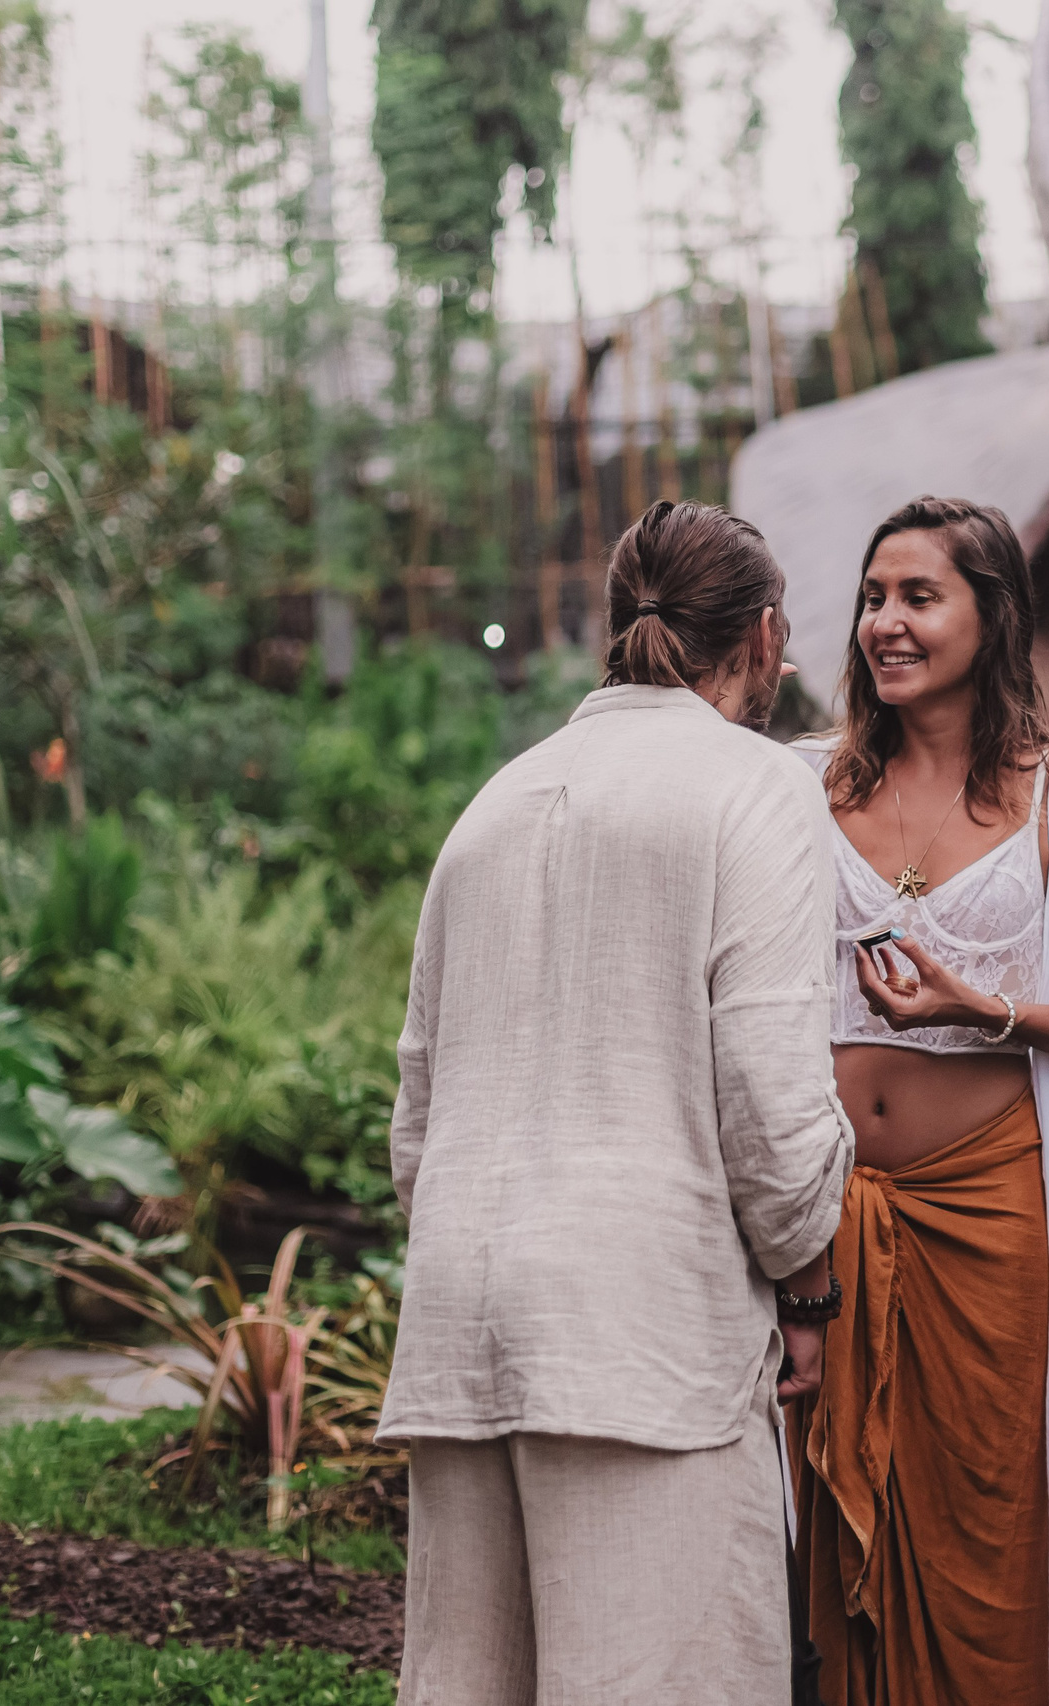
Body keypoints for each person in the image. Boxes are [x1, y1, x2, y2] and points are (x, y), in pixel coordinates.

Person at [379, 499, 854, 1706]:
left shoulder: (494, 802)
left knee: (474, 1683)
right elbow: (770, 1096)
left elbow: (416, 1109)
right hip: (644, 1324)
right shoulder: (752, 786)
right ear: (761, 636)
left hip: (460, 1313)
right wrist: (807, 1281)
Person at [789, 495, 1049, 1706]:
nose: (885, 624)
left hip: (991, 1207)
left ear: (992, 612)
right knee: (819, 1521)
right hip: (826, 1214)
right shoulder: (802, 784)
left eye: (918, 596)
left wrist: (987, 1008)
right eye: (871, 597)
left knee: (986, 1522)